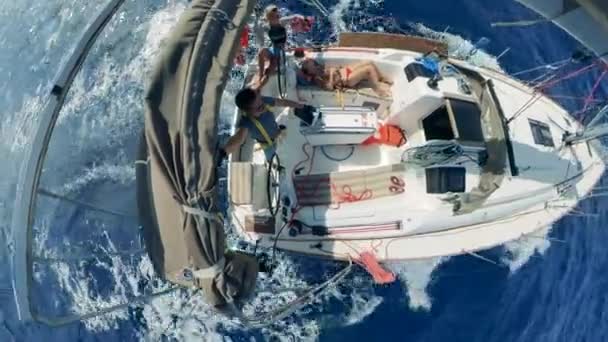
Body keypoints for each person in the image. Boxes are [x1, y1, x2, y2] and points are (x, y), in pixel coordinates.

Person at [220, 87, 305, 161]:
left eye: (261, 100)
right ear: (247, 111)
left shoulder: (264, 101)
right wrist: (224, 152)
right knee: (273, 161)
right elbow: (239, 138)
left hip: (278, 133)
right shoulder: (247, 122)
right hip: (268, 146)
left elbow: (282, 102)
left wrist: (297, 105)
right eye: (259, 107)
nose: (263, 106)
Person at [254, 5, 313, 88]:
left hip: (280, 53)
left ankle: (259, 87)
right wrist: (257, 24)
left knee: (269, 70)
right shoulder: (266, 27)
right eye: (275, 16)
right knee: (261, 52)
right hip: (273, 50)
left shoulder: (282, 22)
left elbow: (295, 16)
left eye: (278, 15)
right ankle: (260, 76)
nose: (278, 17)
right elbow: (260, 39)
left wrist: (304, 19)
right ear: (269, 17)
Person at [299, 58, 393, 97]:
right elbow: (329, 87)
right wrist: (331, 73)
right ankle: (377, 88)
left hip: (343, 72)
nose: (315, 66)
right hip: (345, 81)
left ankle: (381, 78)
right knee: (368, 70)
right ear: (310, 72)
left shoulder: (320, 67)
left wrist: (337, 70)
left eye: (314, 64)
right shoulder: (317, 79)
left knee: (369, 62)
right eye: (313, 67)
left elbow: (334, 68)